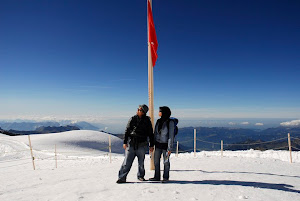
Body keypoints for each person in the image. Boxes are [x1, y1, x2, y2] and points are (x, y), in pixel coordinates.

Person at [117, 104, 154, 183]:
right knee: (127, 162)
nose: (138, 111)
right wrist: (125, 142)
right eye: (138, 109)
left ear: (143, 112)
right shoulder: (132, 119)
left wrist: (151, 145)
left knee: (141, 163)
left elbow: (151, 133)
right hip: (131, 143)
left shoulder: (147, 121)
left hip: (142, 144)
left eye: (140, 110)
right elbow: (127, 131)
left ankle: (140, 176)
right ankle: (122, 177)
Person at [149, 106, 175, 182]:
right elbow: (155, 133)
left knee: (166, 162)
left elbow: (171, 136)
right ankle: (157, 176)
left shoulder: (170, 122)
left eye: (160, 111)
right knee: (156, 161)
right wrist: (152, 144)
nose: (159, 112)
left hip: (165, 145)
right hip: (158, 144)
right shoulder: (158, 121)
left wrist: (170, 148)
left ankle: (165, 177)